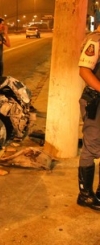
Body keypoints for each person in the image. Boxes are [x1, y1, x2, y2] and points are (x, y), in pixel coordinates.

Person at [77, 25, 100, 211]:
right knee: (91, 147)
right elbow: (84, 70)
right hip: (95, 102)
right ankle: (85, 195)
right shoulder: (96, 40)